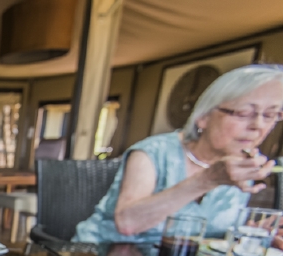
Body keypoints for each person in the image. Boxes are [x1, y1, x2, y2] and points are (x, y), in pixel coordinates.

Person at [74, 64, 283, 243]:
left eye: (270, 115)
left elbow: (212, 235)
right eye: (244, 113)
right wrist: (207, 180)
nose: (258, 125)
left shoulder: (244, 164)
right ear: (203, 117)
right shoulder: (153, 151)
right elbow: (128, 223)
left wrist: (253, 234)